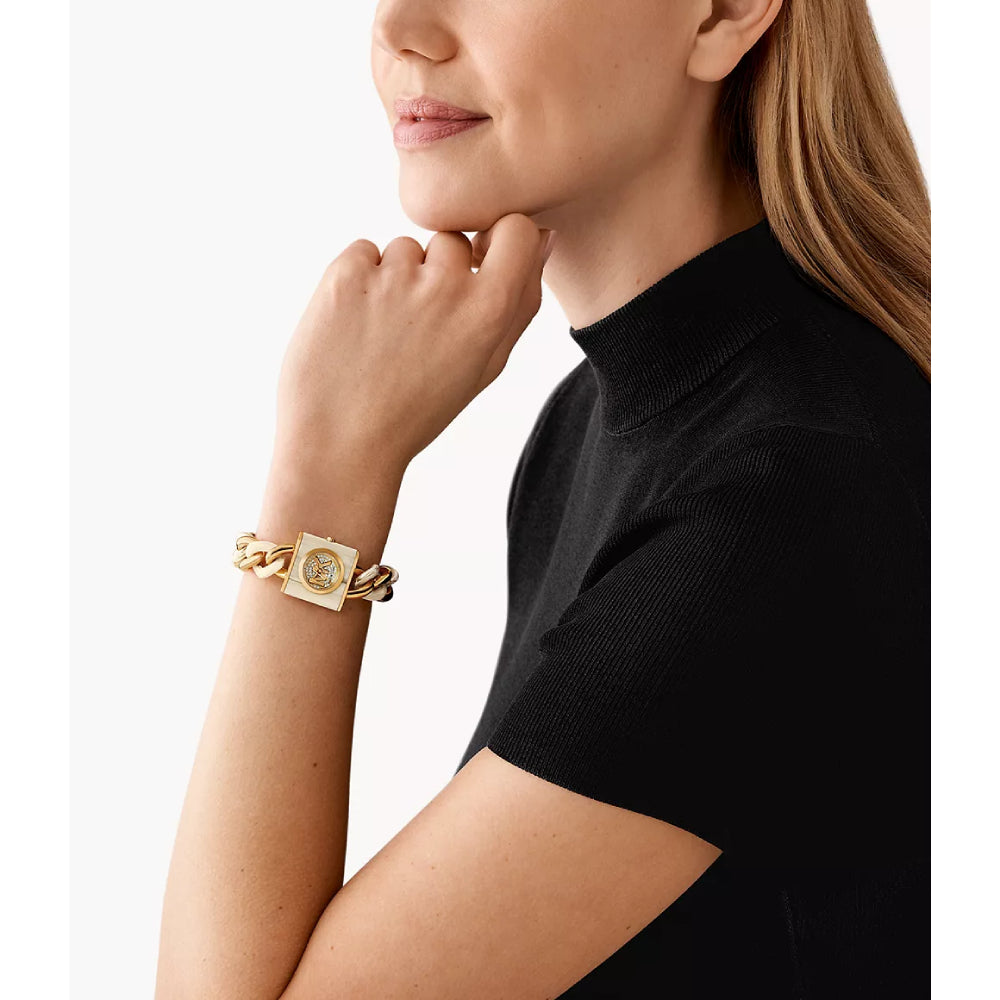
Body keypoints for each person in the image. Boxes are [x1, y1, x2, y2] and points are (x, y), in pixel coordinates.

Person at [155, 0, 929, 997]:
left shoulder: (781, 504)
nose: (401, 29)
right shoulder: (597, 421)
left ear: (724, 13)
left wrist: (327, 472)